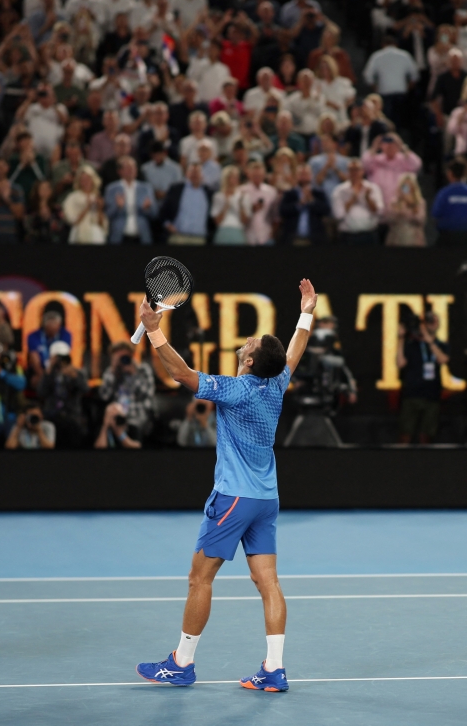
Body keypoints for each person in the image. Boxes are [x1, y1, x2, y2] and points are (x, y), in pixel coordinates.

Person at [135, 278, 318, 692]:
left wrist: (154, 330)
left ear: (250, 361)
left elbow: (180, 373)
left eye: (252, 342)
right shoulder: (277, 383)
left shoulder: (235, 390)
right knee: (268, 582)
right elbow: (296, 349)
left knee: (199, 578)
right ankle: (274, 669)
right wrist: (305, 313)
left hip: (234, 499)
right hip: (266, 500)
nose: (248, 340)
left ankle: (181, 663)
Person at [396, 311, 450, 445]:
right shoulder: (411, 344)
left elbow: (443, 359)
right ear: (423, 324)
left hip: (431, 395)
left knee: (427, 436)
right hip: (412, 394)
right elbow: (400, 363)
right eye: (429, 321)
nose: (432, 324)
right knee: (405, 434)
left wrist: (429, 341)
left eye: (434, 321)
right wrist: (401, 339)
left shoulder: (440, 345)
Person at [98, 342, 155, 442]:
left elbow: (146, 393)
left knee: (133, 428)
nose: (122, 360)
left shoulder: (143, 370)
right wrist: (114, 374)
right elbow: (104, 396)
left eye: (124, 357)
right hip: (116, 415)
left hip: (137, 414)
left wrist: (133, 373)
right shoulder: (111, 372)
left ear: (131, 355)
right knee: (103, 428)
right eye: (118, 357)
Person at [37, 340, 87, 449]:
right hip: (52, 415)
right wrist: (49, 370)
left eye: (63, 357)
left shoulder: (77, 373)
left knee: (75, 428)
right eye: (58, 358)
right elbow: (41, 392)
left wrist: (74, 377)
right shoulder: (49, 374)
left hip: (71, 415)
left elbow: (85, 389)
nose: (61, 361)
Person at [104, 157, 158, 244]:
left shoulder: (146, 188)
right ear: (120, 171)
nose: (131, 170)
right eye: (128, 168)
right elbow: (107, 215)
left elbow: (154, 214)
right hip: (119, 236)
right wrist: (118, 207)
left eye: (133, 167)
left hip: (142, 236)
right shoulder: (111, 189)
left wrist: (146, 208)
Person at [331, 158, 383, 245]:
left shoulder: (373, 188)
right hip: (347, 236)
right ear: (347, 172)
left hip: (369, 235)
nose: (354, 173)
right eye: (351, 170)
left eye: (357, 169)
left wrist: (367, 199)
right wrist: (353, 199)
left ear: (362, 171)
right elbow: (338, 215)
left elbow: (379, 212)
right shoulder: (339, 191)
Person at [160, 163, 214, 245]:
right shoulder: (176, 189)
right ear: (186, 173)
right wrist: (167, 225)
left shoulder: (209, 192)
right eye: (192, 171)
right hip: (178, 236)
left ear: (202, 175)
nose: (194, 174)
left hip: (199, 238)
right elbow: (163, 210)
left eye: (197, 172)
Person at [431, 160, 467, 246]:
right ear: (464, 173)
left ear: (449, 173)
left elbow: (436, 213)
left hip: (448, 237)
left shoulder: (444, 193)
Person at [277, 165, 330, 246]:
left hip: (315, 239)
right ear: (296, 176)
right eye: (301, 174)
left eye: (306, 174)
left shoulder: (318, 193)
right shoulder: (289, 194)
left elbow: (326, 211)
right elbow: (282, 211)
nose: (304, 177)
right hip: (292, 238)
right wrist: (299, 204)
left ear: (311, 176)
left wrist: (312, 200)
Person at [62, 167, 107, 244]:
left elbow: (101, 224)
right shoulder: (73, 197)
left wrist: (100, 209)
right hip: (78, 232)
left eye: (88, 178)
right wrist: (87, 207)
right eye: (83, 179)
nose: (86, 181)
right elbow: (72, 221)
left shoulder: (97, 197)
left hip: (95, 234)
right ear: (79, 181)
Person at [26, 310, 71, 385]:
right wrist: (45, 376)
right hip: (41, 370)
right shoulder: (33, 336)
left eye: (56, 325)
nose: (54, 328)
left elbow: (64, 357)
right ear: (45, 325)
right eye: (51, 325)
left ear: (59, 325)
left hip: (59, 369)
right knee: (36, 380)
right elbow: (34, 359)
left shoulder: (65, 334)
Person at [385, 173, 426, 247]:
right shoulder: (394, 202)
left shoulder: (420, 202)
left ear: (414, 187)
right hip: (396, 239)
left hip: (414, 240)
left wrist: (412, 205)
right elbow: (389, 219)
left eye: (409, 185)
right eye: (405, 186)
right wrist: (398, 210)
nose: (407, 188)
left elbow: (420, 220)